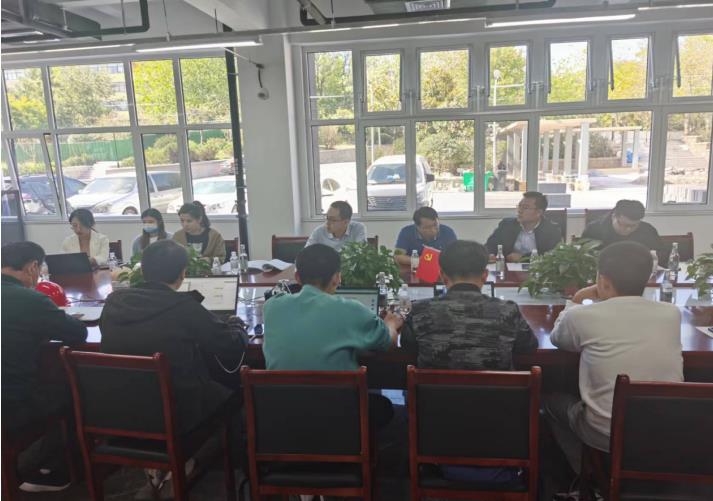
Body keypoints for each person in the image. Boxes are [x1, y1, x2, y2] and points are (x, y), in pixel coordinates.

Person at [401, 240, 537, 484]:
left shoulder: (420, 311)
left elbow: (408, 347)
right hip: (500, 427)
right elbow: (529, 346)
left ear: (442, 276)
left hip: (437, 427)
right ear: (485, 275)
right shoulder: (507, 311)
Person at [544, 241, 683, 475]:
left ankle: (587, 477)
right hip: (664, 429)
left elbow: (558, 339)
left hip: (605, 433)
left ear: (603, 280)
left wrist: (577, 299)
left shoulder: (582, 316)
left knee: (551, 403)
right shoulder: (672, 313)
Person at [100, 240, 246, 433]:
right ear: (183, 274)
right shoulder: (183, 306)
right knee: (237, 395)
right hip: (177, 414)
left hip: (119, 410)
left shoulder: (113, 303)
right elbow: (229, 346)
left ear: (142, 270)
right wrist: (237, 325)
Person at [263, 244, 402, 427]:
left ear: (297, 277)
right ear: (337, 277)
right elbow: (388, 343)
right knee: (384, 407)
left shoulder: (272, 306)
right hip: (338, 417)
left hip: (282, 416)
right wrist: (391, 324)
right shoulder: (350, 309)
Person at [2, 241, 87, 492]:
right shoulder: (29, 299)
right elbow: (78, 333)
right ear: (32, 267)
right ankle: (58, 469)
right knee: (71, 390)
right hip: (12, 406)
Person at [485, 191, 561, 262]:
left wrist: (523, 257)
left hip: (537, 269)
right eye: (519, 206)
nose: (520, 210)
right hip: (508, 268)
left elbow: (551, 255)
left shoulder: (551, 230)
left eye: (525, 208)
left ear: (539, 212)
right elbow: (490, 245)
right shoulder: (507, 225)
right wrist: (490, 254)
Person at [581, 199, 663, 261]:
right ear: (614, 216)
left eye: (633, 226)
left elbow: (660, 254)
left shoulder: (647, 230)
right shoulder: (594, 229)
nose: (628, 229)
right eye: (624, 225)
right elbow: (584, 257)